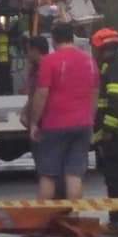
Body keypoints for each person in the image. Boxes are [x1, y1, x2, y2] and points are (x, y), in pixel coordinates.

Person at [29, 23, 98, 201]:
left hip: (55, 125)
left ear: (53, 40)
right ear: (72, 37)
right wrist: (90, 118)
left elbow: (41, 94)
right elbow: (94, 93)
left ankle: (45, 216)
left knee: (48, 175)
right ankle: (74, 214)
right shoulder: (89, 61)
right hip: (83, 124)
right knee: (74, 175)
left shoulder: (49, 61)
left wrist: (34, 122)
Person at [90, 28, 118, 232]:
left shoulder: (116, 69)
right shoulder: (112, 66)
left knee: (117, 179)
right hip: (117, 133)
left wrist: (107, 129)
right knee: (117, 178)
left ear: (102, 48)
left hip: (117, 134)